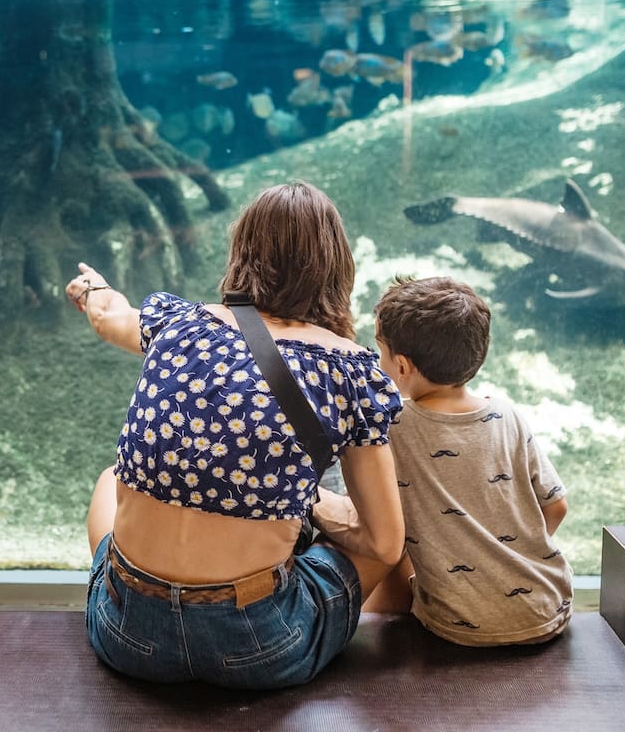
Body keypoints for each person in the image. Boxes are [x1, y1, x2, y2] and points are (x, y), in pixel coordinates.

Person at [65, 181, 405, 689]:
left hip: (127, 638)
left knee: (109, 479)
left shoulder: (178, 324)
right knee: (385, 542)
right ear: (337, 267)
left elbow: (109, 317)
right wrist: (305, 503)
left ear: (242, 250)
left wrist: (92, 290)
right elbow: (383, 540)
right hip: (259, 649)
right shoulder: (348, 369)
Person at [363, 276, 573, 645]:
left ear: (402, 366)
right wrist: (503, 555)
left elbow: (380, 525)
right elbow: (556, 506)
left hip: (456, 624)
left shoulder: (395, 427)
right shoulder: (508, 415)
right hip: (547, 611)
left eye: (380, 351)